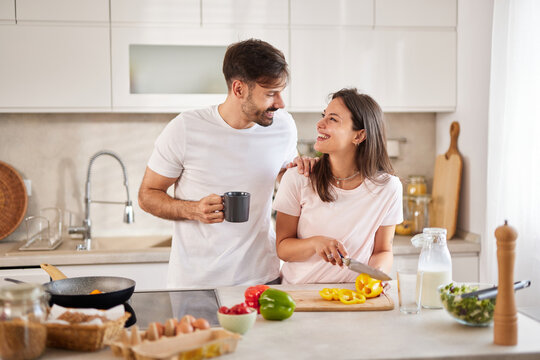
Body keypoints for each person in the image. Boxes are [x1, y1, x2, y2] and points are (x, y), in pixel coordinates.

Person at [138, 39, 301, 288]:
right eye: (270, 94)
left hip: (262, 279)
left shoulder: (283, 126)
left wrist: (298, 173)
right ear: (238, 89)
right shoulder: (186, 128)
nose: (280, 103)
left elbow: (283, 174)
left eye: (280, 92)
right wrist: (193, 210)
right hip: (196, 285)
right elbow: (147, 195)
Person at [273, 88, 403, 284]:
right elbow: (283, 249)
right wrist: (315, 243)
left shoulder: (388, 188)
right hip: (298, 295)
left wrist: (375, 277)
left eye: (332, 119)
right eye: (323, 116)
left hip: (351, 296)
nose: (319, 124)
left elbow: (383, 251)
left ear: (359, 136)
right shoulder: (299, 178)